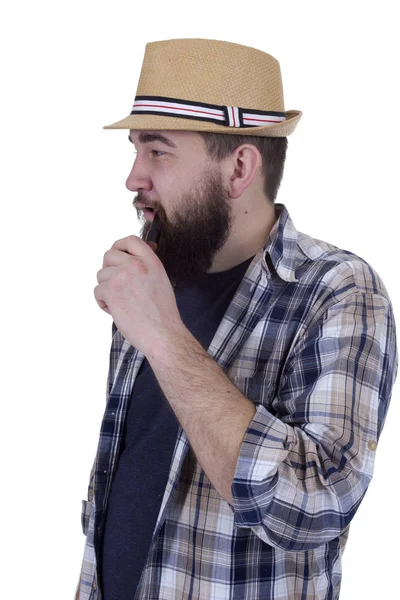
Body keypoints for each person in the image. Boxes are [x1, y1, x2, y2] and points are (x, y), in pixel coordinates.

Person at [74, 38, 398, 600]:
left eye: (159, 151)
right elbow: (121, 495)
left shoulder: (337, 291)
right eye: (134, 149)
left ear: (240, 166)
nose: (133, 177)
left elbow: (308, 509)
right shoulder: (158, 277)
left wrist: (165, 338)